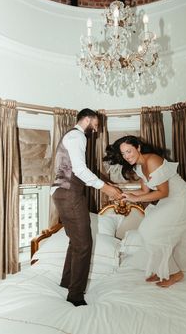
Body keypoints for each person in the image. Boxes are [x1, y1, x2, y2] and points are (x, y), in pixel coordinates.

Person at [104, 135, 186, 287]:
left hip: (182, 200)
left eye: (129, 151)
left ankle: (176, 273)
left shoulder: (153, 160)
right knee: (151, 232)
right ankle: (162, 269)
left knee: (149, 230)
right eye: (123, 154)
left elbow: (163, 192)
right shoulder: (139, 166)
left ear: (138, 147)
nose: (126, 156)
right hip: (169, 200)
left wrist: (134, 199)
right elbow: (144, 191)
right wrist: (122, 193)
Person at [52, 108, 122, 306]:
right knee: (84, 245)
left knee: (75, 242)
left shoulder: (70, 136)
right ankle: (75, 296)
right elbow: (80, 170)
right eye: (97, 125)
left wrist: (107, 184)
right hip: (70, 193)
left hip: (61, 193)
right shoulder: (77, 136)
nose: (97, 130)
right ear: (88, 119)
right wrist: (106, 188)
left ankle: (67, 282)